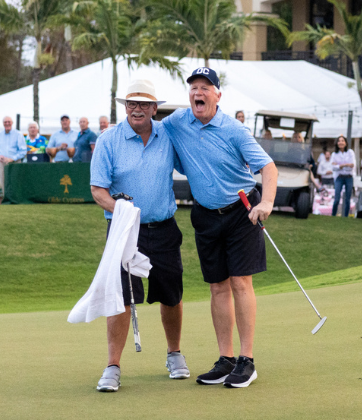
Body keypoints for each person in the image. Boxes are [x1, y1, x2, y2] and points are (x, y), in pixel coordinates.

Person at [163, 67, 278, 388]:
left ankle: (246, 360)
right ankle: (225, 359)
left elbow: (267, 167)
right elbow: (151, 128)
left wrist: (266, 203)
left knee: (241, 283)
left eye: (205, 87)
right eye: (193, 88)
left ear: (217, 94)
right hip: (205, 215)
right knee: (217, 287)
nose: (198, 92)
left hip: (242, 211)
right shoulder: (177, 123)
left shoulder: (234, 129)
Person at [90, 79, 189, 392]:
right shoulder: (109, 139)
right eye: (131, 103)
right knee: (120, 298)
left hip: (163, 227)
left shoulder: (167, 135)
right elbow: (98, 190)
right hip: (123, 231)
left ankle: (174, 353)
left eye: (144, 104)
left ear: (154, 109)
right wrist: (122, 210)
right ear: (124, 107)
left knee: (171, 295)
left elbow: (191, 164)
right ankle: (113, 366)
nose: (137, 109)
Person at [330, 135, 355, 217]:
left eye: (342, 141)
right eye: (339, 141)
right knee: (337, 198)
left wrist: (340, 165)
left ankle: (346, 216)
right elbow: (333, 167)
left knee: (347, 199)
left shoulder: (350, 152)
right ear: (337, 143)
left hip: (349, 177)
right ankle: (333, 215)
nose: (341, 142)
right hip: (339, 177)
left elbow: (352, 165)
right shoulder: (334, 154)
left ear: (345, 143)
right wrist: (344, 165)